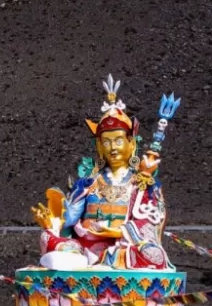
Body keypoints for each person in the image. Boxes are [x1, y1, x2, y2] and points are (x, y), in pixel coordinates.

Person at [31, 76, 173, 271]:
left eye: (118, 141)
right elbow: (70, 217)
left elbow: (149, 222)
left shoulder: (140, 184)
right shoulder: (89, 183)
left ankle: (103, 263)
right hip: (85, 246)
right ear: (99, 147)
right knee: (48, 237)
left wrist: (118, 231)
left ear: (131, 143)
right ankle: (79, 261)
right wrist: (54, 220)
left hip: (122, 247)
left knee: (154, 256)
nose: (113, 148)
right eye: (106, 142)